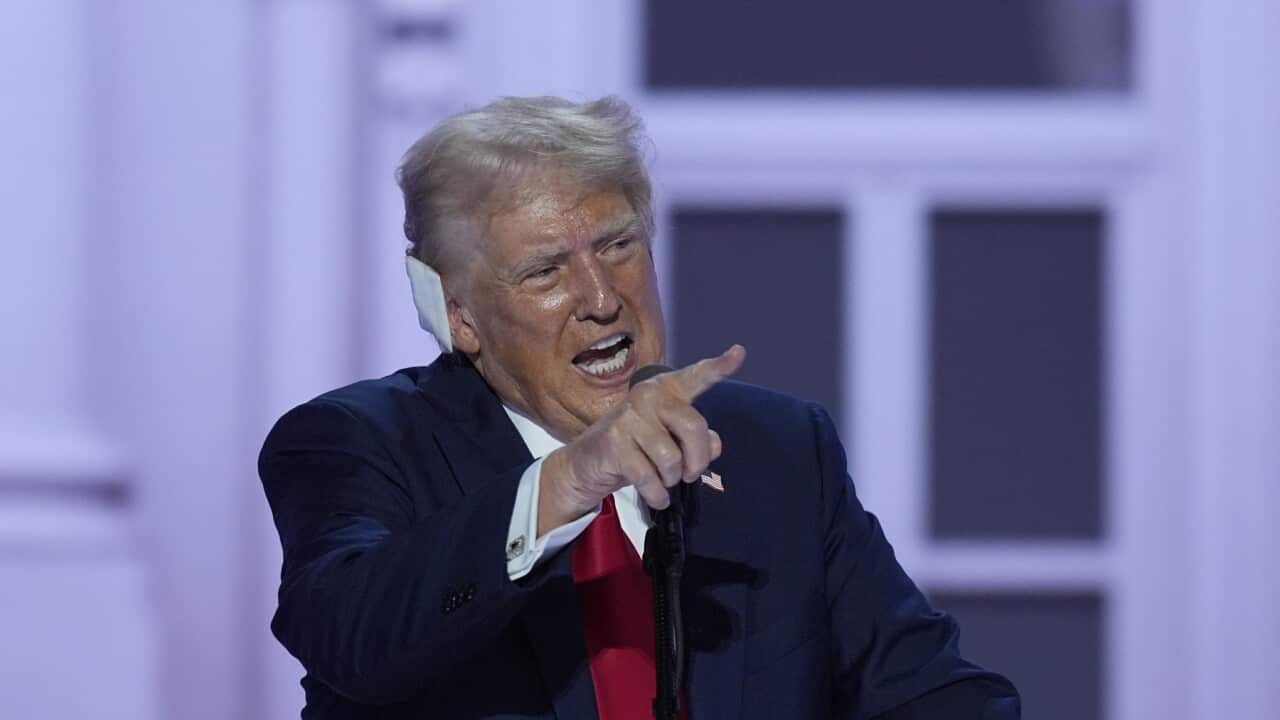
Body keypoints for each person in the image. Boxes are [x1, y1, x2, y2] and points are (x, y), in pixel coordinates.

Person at [259, 96, 1020, 719]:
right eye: (546, 270)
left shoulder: (773, 447)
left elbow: (930, 692)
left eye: (619, 246)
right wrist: (572, 477)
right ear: (459, 316)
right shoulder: (354, 442)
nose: (601, 298)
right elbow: (351, 637)